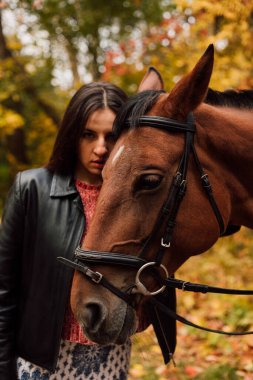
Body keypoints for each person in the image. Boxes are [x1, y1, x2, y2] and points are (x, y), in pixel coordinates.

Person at [0, 82, 130, 379]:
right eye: (88, 134)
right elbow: (4, 290)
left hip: (111, 355)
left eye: (111, 136)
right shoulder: (31, 189)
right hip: (41, 360)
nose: (101, 148)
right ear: (72, 134)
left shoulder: (135, 199)